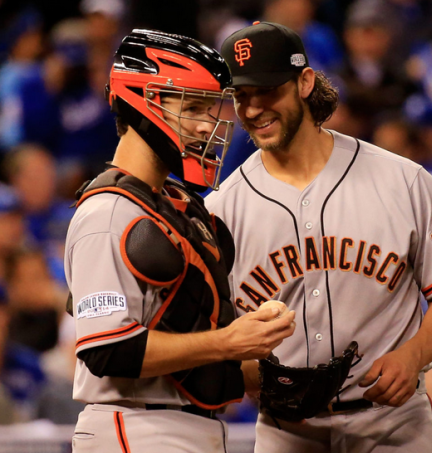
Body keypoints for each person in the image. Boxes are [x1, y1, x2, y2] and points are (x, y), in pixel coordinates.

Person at [205, 21, 432, 452]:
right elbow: (219, 336)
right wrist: (243, 371)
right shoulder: (221, 208)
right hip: (286, 429)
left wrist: (415, 354)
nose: (253, 109)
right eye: (241, 96)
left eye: (266, 91)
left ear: (304, 82)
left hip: (393, 423)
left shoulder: (402, 180)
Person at [64, 29, 295, 453]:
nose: (209, 123)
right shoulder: (109, 213)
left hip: (187, 427)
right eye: (192, 107)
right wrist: (229, 342)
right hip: (135, 426)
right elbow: (108, 351)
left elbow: (194, 336)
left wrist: (276, 380)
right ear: (140, 100)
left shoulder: (179, 205)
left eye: (211, 108)